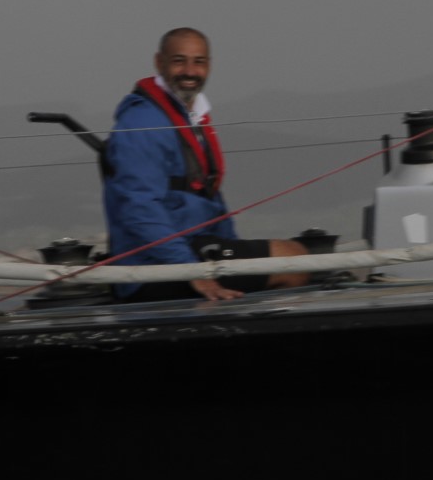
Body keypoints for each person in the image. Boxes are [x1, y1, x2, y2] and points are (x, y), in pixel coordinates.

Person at [103, 28, 309, 302]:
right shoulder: (142, 122)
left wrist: (232, 250)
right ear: (159, 62)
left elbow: (210, 198)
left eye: (198, 62)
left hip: (192, 249)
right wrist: (192, 270)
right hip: (152, 268)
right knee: (294, 261)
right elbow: (139, 209)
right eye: (179, 61)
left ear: (209, 66)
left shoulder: (191, 117)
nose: (190, 71)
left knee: (299, 257)